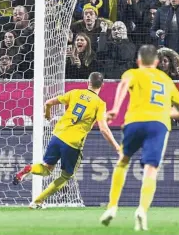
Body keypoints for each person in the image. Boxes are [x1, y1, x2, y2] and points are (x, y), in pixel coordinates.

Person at [100, 45, 179, 231]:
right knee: (151, 169)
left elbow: (124, 85)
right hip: (159, 124)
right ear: (156, 62)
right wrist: (163, 111)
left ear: (139, 61)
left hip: (135, 121)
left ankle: (112, 206)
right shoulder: (166, 79)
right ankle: (141, 210)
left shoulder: (133, 73)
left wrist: (115, 108)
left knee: (123, 161)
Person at [13, 72, 120, 209]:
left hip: (58, 135)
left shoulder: (75, 93)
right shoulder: (100, 104)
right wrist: (117, 146)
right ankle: (37, 202)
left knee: (46, 168)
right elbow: (104, 129)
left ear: (88, 82)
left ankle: (29, 169)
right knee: (65, 176)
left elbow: (48, 102)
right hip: (73, 144)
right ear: (102, 85)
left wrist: (47, 114)